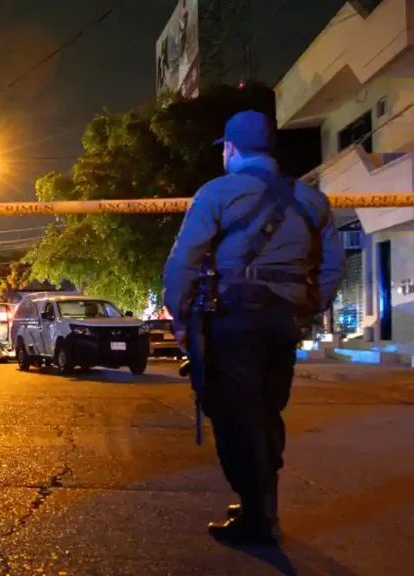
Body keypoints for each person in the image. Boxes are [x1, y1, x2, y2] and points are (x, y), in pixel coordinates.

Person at [162, 110, 344, 547]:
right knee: (266, 412)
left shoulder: (217, 193)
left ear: (230, 148)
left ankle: (258, 519)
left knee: (234, 415)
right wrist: (304, 308)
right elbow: (332, 267)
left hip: (234, 321)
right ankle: (260, 506)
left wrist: (180, 318)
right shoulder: (312, 199)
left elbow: (183, 263)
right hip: (283, 322)